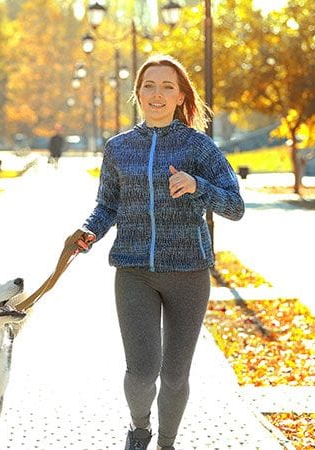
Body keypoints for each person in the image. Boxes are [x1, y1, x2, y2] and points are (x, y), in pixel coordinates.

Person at [70, 54, 244, 450]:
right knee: (141, 372)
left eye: (168, 86)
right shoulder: (118, 148)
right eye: (149, 86)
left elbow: (235, 205)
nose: (157, 94)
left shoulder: (199, 147)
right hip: (134, 272)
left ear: (181, 96)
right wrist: (88, 231)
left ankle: (166, 443)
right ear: (138, 93)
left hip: (188, 273)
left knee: (176, 374)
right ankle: (139, 428)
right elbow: (107, 205)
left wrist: (198, 185)